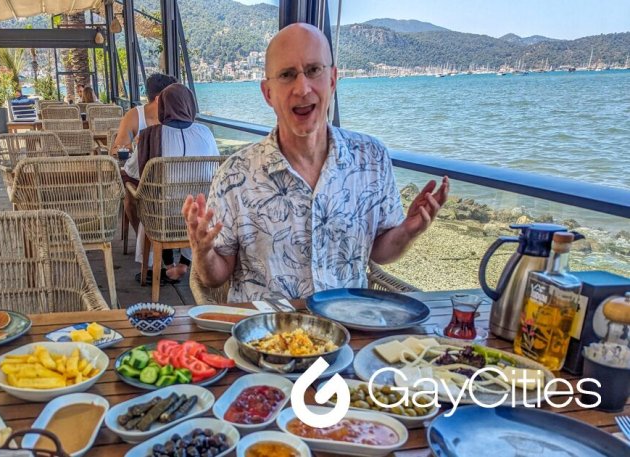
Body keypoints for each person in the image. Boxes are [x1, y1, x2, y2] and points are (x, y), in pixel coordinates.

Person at [182, 23, 450, 301]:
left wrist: (408, 230)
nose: (302, 87)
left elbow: (379, 252)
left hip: (347, 329)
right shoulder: (235, 175)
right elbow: (215, 276)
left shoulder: (372, 159)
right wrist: (202, 253)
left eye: (313, 70)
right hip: (265, 337)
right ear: (268, 93)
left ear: (332, 79)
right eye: (287, 75)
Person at [123, 83, 220, 282]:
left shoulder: (151, 135)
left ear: (163, 107)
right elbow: (215, 169)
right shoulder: (206, 133)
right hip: (196, 214)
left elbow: (132, 171)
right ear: (190, 105)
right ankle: (185, 262)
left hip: (160, 217)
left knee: (141, 193)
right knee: (190, 197)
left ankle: (159, 266)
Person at [112, 73, 178, 237]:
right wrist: (137, 144)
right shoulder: (135, 115)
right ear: (159, 99)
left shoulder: (177, 116)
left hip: (172, 175)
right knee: (130, 199)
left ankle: (171, 237)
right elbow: (117, 149)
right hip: (141, 174)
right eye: (173, 96)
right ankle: (147, 239)